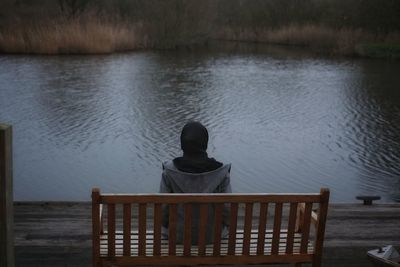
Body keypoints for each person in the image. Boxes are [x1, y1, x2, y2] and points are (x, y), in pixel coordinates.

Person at [159, 121, 232, 244]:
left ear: (182, 144)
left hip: (178, 238)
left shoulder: (169, 171)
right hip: (212, 238)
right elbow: (228, 211)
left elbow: (163, 210)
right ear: (205, 144)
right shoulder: (221, 172)